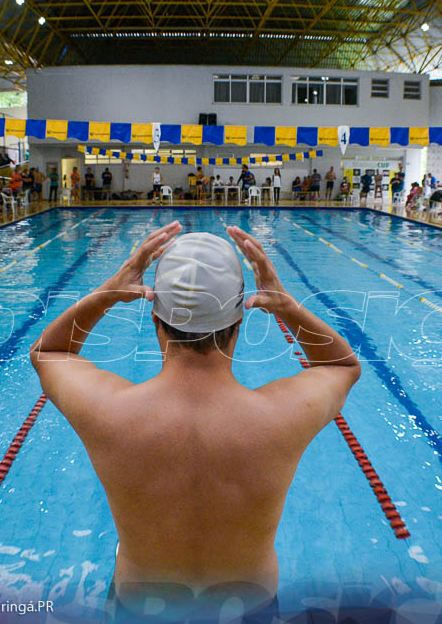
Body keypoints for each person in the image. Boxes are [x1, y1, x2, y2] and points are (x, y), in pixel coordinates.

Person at [29, 223, 360, 617]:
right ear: (239, 323)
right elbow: (341, 365)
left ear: (156, 320)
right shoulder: (281, 417)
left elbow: (48, 353)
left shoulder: (111, 412)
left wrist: (109, 293)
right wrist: (287, 305)